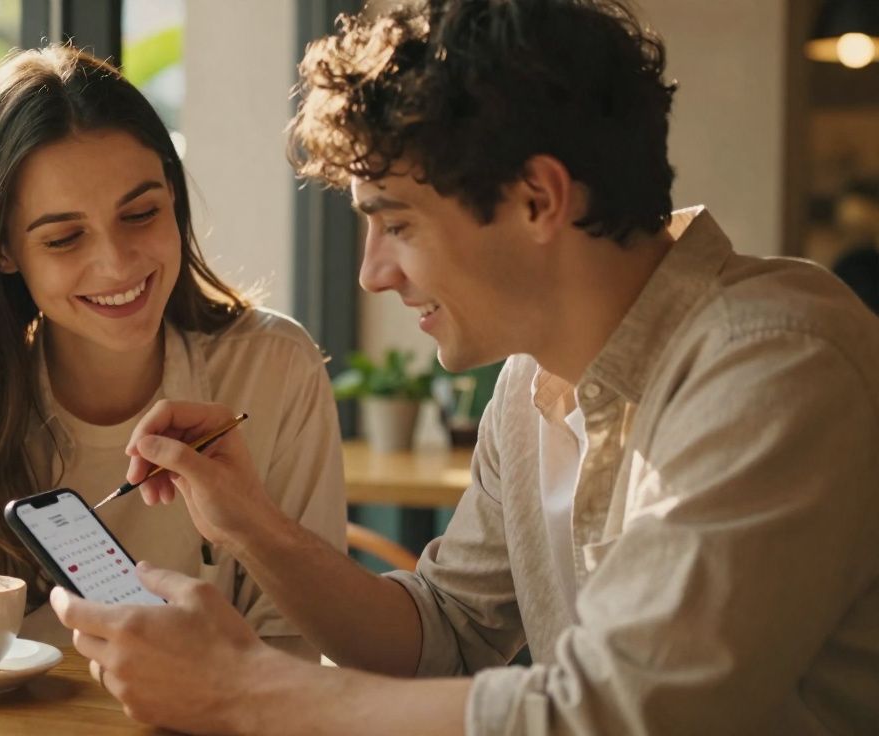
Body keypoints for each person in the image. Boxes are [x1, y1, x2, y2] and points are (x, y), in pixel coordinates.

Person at [51, 1, 879, 733]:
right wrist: (249, 525)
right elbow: (442, 634)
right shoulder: (530, 386)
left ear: (538, 200)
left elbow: (626, 714)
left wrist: (244, 691)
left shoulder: (775, 366)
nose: (373, 272)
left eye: (397, 224)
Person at [0, 47, 346, 657]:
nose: (116, 262)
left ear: (175, 203)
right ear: (2, 251)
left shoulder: (274, 368)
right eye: (64, 237)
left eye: (141, 213)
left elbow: (293, 651)